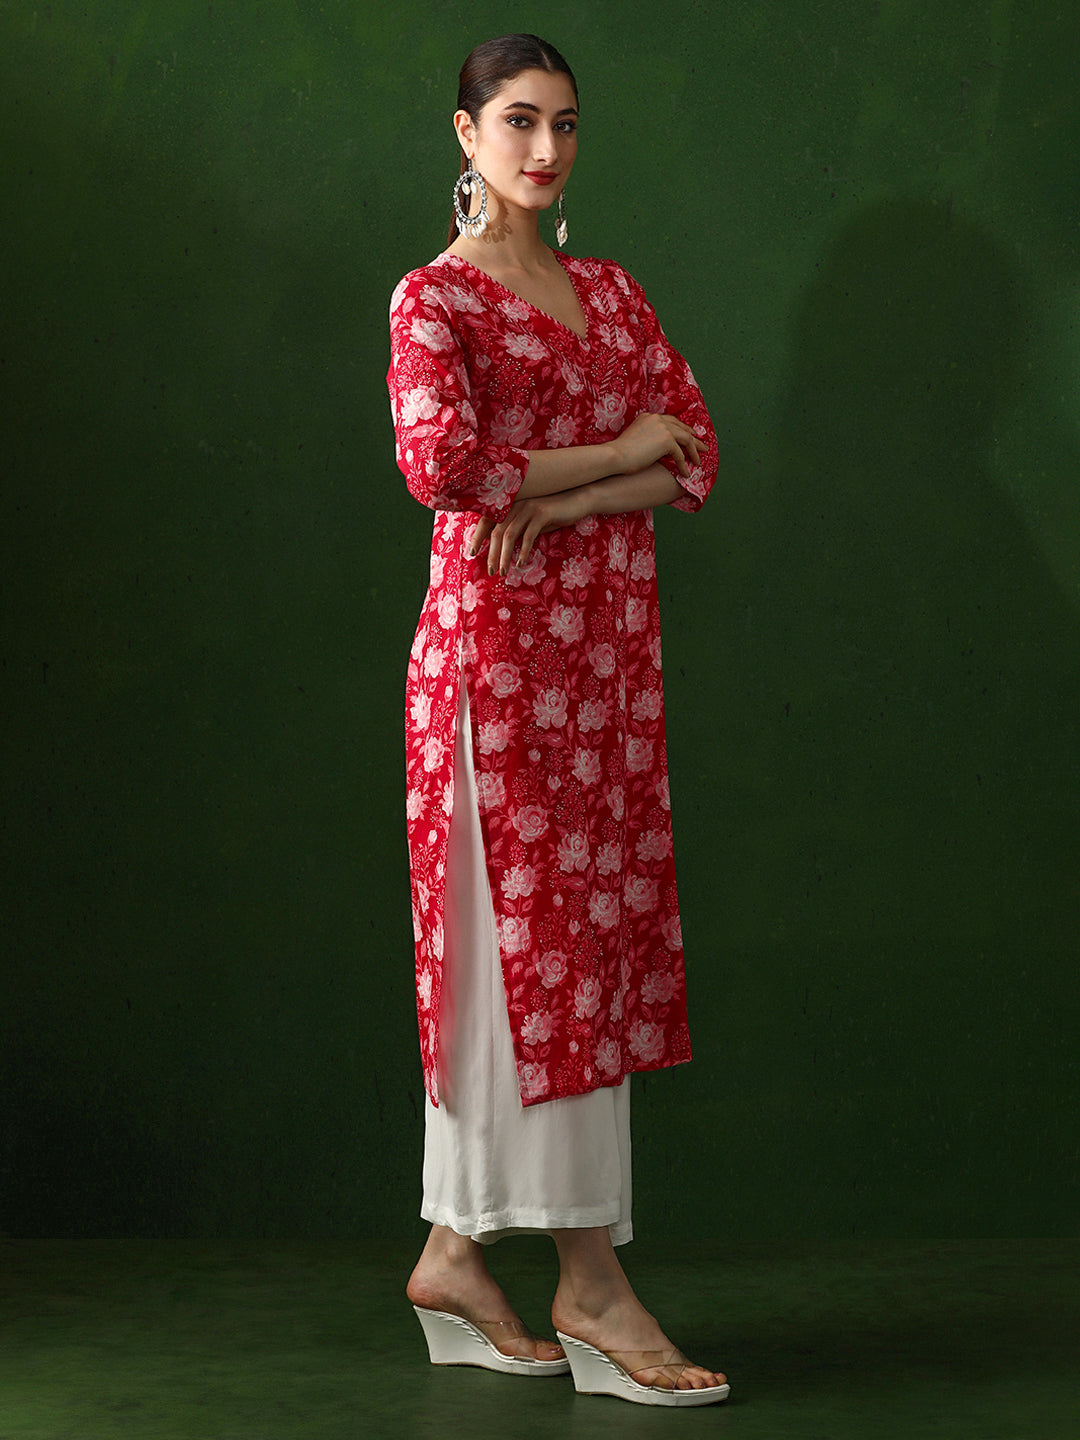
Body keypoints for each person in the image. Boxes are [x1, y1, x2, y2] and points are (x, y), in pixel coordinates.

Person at [386, 34, 729, 1407]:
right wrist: (616, 451)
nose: (545, 149)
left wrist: (577, 493)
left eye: (567, 124)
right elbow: (444, 466)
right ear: (465, 134)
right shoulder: (434, 300)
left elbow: (693, 451)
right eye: (519, 121)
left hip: (607, 676)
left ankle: (453, 1256)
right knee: (524, 968)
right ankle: (591, 1284)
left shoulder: (613, 292)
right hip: (497, 675)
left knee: (588, 962)